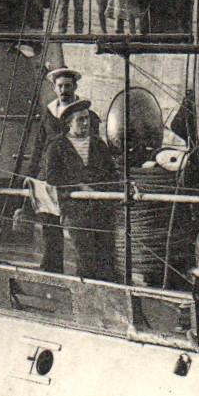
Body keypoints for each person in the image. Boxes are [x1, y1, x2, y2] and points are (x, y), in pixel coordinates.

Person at [35, 98, 119, 280]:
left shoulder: (98, 145)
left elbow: (112, 174)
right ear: (68, 122)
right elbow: (52, 177)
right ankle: (87, 293)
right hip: (74, 209)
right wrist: (79, 185)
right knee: (86, 256)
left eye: (87, 119)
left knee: (107, 256)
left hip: (101, 208)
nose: (86, 123)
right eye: (80, 119)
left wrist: (107, 192)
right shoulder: (57, 146)